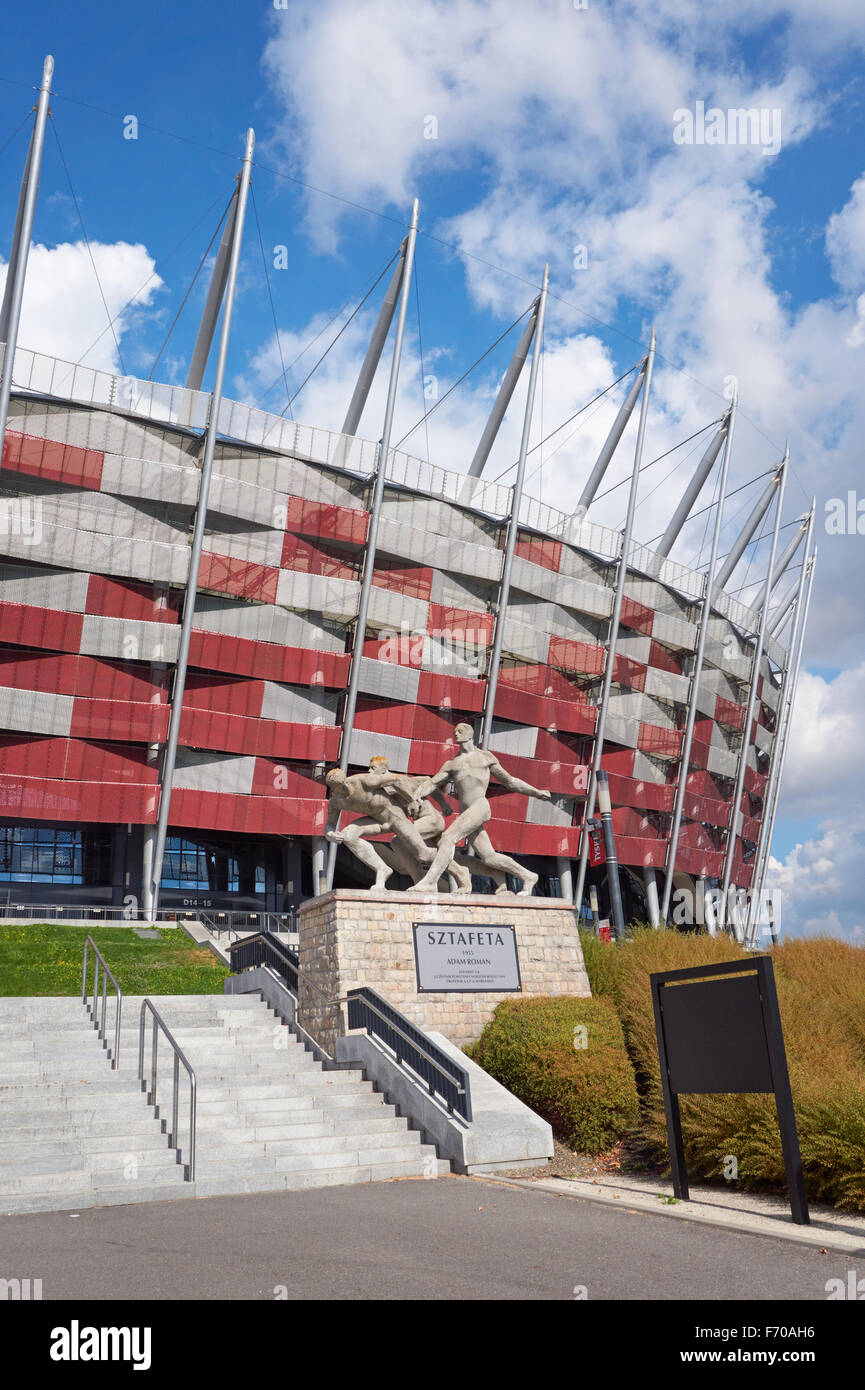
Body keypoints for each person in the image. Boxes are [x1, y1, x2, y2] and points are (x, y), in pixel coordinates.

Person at [406, 722, 551, 896]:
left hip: (480, 807)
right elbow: (432, 782)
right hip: (468, 814)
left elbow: (510, 781)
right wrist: (417, 794)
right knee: (489, 857)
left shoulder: (485, 758)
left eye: (460, 731)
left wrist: (536, 793)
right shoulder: (452, 764)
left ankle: (430, 882)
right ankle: (528, 876)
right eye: (455, 732)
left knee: (448, 837)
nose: (456, 734)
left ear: (469, 735)